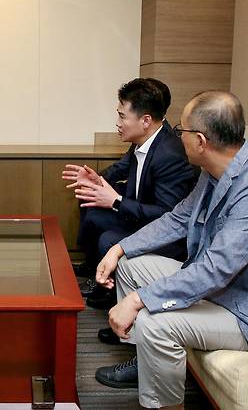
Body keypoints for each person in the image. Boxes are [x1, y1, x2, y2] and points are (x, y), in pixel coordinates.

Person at [94, 91, 248, 409]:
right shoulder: (214, 172)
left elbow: (215, 270)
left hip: (247, 311)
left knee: (152, 322)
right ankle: (145, 361)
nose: (176, 137)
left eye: (181, 130)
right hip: (218, 290)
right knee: (132, 265)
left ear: (201, 141)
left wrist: (137, 301)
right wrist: (120, 249)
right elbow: (177, 219)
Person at [62, 78, 196, 310]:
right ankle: (95, 267)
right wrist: (98, 180)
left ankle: (111, 295)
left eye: (122, 116)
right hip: (141, 210)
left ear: (145, 120)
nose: (117, 123)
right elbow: (123, 166)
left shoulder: (169, 154)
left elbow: (166, 215)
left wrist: (115, 201)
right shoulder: (143, 138)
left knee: (108, 238)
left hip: (167, 234)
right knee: (91, 205)